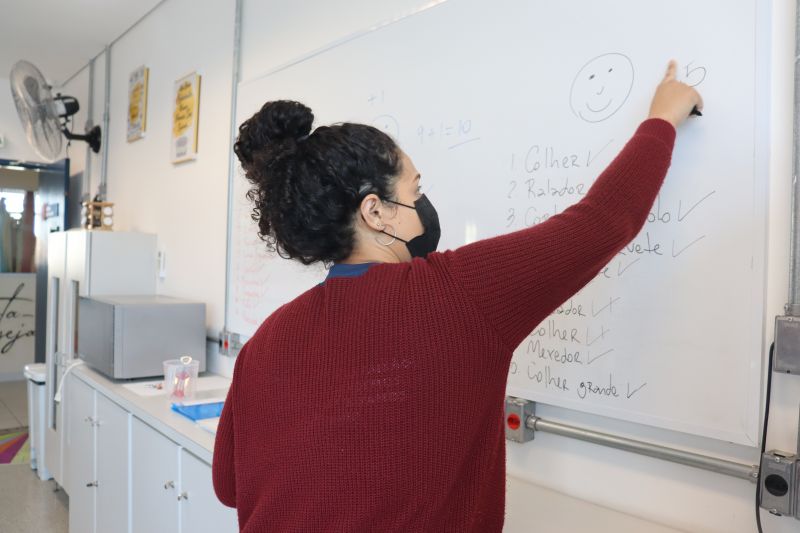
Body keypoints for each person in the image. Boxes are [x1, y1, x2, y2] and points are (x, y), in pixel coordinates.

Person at [213, 60, 702, 532]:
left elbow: (229, 486)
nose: (424, 204)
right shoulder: (457, 294)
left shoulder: (268, 338)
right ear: (375, 211)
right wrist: (662, 118)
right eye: (415, 189)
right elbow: (600, 223)